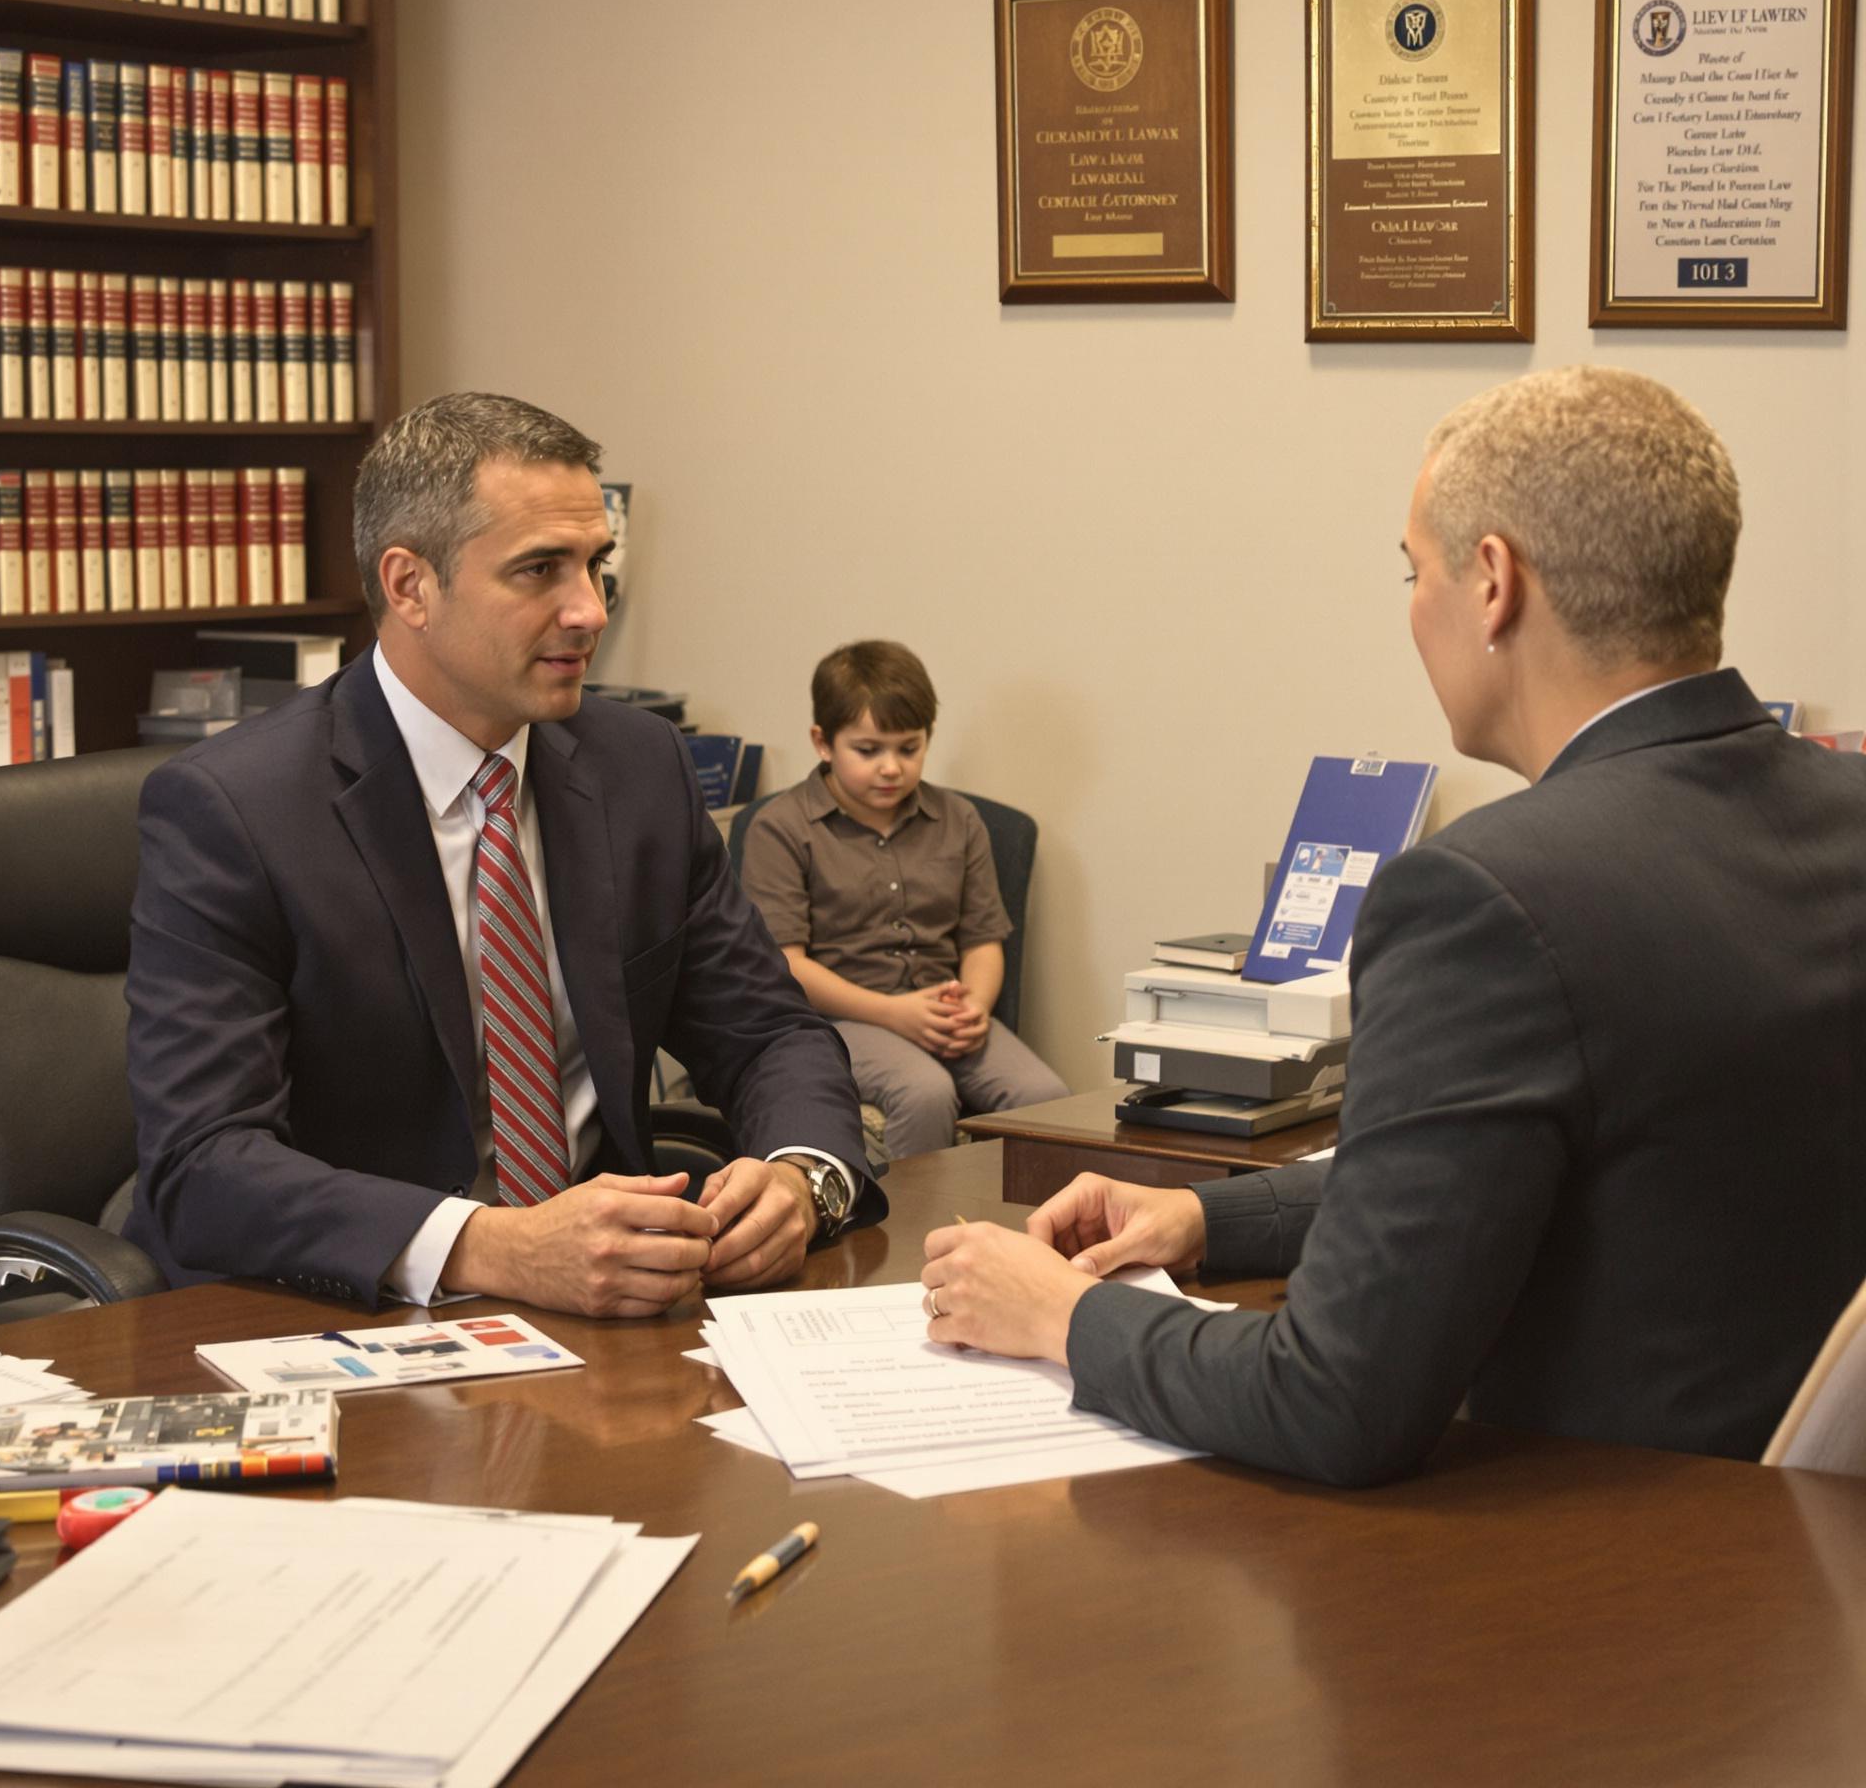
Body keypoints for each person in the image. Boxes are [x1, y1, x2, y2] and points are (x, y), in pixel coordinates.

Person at [921, 365, 1866, 1483]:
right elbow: (1543, 1166)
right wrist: (1204, 1217)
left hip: (1593, 1573)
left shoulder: (1482, 894)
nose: (1409, 606)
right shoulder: (1839, 813)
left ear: (1491, 583)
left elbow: (1330, 1399)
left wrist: (1062, 1315)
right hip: (1798, 1567)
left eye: (1411, 569)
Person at [125, 393, 882, 1316]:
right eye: (540, 571)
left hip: (615, 1317)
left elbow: (767, 1032)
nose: (590, 610)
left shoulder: (638, 767)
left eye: (596, 566)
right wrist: (490, 1247)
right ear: (409, 587)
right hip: (351, 1320)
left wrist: (803, 1175)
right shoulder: (237, 810)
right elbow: (202, 1163)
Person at [738, 640, 1066, 1158]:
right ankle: (917, 1237)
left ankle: (1025, 1235)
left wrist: (974, 1008)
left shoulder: (958, 821)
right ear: (823, 742)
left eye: (908, 748)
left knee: (1046, 1098)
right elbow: (787, 964)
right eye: (868, 751)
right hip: (838, 1020)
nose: (891, 767)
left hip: (943, 1010)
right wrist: (894, 1014)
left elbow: (983, 940)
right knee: (924, 1092)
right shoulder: (780, 828)